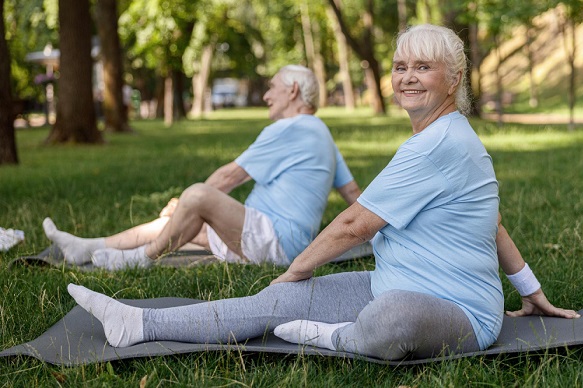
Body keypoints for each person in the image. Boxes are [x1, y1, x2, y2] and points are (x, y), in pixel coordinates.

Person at [67, 24, 579, 361]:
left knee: (387, 319)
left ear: (455, 80)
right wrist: (533, 293)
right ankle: (137, 322)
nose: (406, 78)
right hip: (393, 280)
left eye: (422, 67)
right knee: (277, 301)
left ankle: (332, 336)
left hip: (461, 312)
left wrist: (297, 269)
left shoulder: (443, 143)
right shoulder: (435, 137)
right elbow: (492, 225)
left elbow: (354, 222)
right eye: (400, 67)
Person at [44, 65, 361, 270]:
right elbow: (352, 193)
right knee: (172, 224)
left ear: (292, 91)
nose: (266, 95)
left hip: (272, 241)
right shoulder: (322, 133)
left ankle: (139, 260)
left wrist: (183, 202)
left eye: (272, 87)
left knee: (197, 196)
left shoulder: (292, 127)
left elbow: (228, 177)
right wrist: (379, 234)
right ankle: (86, 247)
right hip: (276, 244)